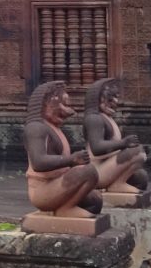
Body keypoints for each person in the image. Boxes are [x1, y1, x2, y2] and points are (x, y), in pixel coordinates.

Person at [24, 80, 102, 216]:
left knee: (95, 201)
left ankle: (67, 206)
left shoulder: (53, 128)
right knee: (88, 171)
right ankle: (66, 209)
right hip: (43, 190)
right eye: (62, 105)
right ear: (46, 103)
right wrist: (71, 159)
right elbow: (38, 162)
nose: (69, 112)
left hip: (57, 185)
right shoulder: (36, 128)